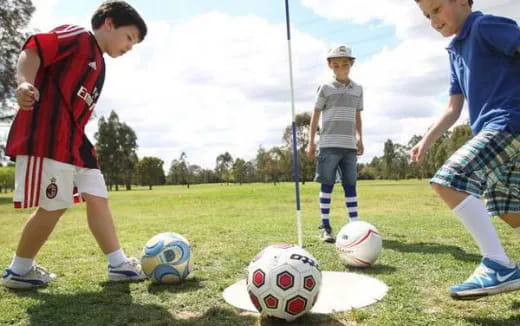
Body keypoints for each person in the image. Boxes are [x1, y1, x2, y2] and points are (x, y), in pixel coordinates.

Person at [1, 1, 148, 289]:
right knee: (55, 204)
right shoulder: (78, 37)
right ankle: (18, 270)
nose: (130, 47)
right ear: (108, 23)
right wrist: (23, 84)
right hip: (50, 137)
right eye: (129, 37)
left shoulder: (100, 64)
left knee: (97, 193)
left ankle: (118, 264)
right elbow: (33, 49)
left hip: (75, 142)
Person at [411, 0, 520, 300]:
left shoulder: (485, 27)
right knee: (508, 208)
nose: (433, 20)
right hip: (497, 130)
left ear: (462, 1)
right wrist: (426, 140)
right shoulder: (455, 50)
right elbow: (453, 108)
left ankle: (498, 264)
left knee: (448, 179)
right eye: (426, 16)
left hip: (509, 121)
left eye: (436, 9)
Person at [307, 44, 364, 243]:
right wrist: (311, 142)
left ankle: (355, 226)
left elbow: (357, 116)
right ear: (330, 65)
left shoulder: (358, 89)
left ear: (351, 64)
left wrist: (360, 138)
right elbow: (315, 116)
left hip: (349, 146)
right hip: (328, 145)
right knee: (327, 185)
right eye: (337, 65)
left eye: (345, 64)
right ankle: (325, 226)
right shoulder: (325, 88)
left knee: (351, 185)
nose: (341, 68)